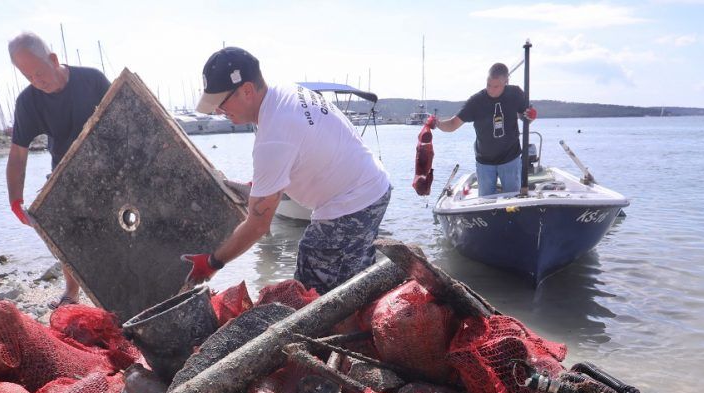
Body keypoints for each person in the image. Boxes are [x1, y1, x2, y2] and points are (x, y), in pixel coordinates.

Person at [182, 47, 391, 294]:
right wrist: (257, 189)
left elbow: (258, 226)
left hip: (353, 202)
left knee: (313, 289)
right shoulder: (282, 94)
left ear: (247, 90)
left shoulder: (273, 136)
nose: (218, 111)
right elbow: (301, 152)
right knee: (350, 278)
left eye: (221, 102)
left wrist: (212, 262)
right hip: (373, 187)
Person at [6, 31, 111, 308]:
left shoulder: (92, 80)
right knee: (65, 231)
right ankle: (71, 293)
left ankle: (119, 289)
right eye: (28, 76)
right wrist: (15, 201)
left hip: (108, 168)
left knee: (114, 231)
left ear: (53, 59)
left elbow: (124, 117)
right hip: (64, 173)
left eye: (39, 72)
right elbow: (18, 154)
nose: (37, 81)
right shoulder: (28, 101)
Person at [434, 62, 536, 196]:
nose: (491, 90)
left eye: (496, 86)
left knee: (513, 200)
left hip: (510, 158)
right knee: (485, 201)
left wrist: (530, 116)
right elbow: (453, 124)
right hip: (485, 162)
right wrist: (438, 124)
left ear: (506, 82)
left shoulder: (515, 93)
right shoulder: (476, 101)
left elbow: (525, 116)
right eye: (488, 85)